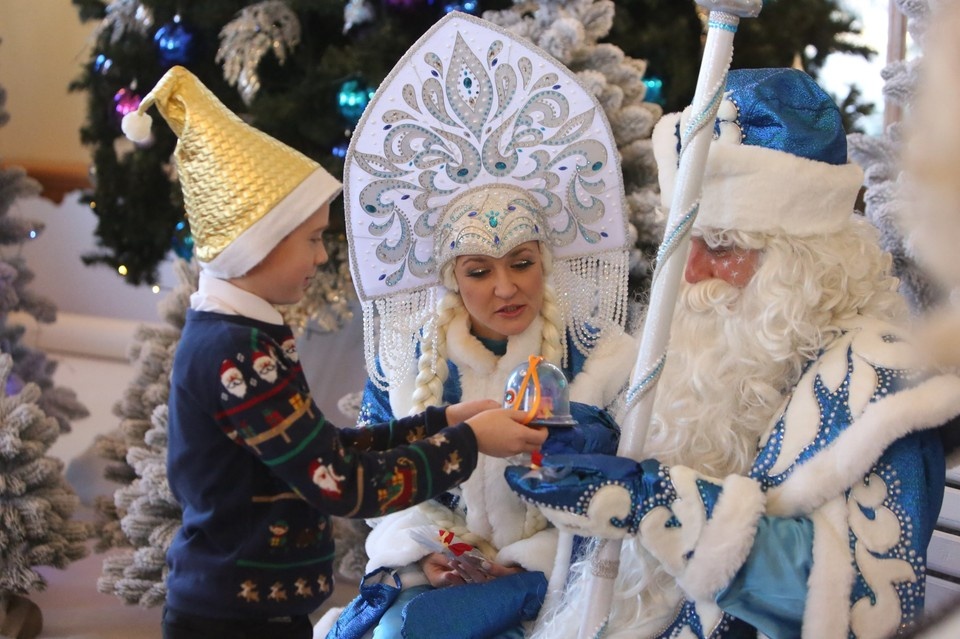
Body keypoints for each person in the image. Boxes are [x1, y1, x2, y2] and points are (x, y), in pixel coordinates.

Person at [505, 67, 960, 639]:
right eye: (686, 243)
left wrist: (656, 503)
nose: (691, 274)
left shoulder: (884, 394)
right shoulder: (709, 355)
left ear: (807, 261)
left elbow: (860, 604)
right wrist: (598, 444)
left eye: (720, 246)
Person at [120, 65, 547, 639]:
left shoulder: (246, 337)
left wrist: (440, 421)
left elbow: (319, 449)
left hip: (255, 606)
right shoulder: (237, 354)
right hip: (234, 615)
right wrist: (469, 444)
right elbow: (340, 482)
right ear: (260, 245)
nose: (322, 258)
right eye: (313, 240)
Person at [317, 12, 639, 639]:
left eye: (522, 263)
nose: (506, 287)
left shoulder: (597, 355)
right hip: (442, 575)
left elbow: (623, 482)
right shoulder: (409, 364)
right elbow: (388, 481)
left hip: (566, 576)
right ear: (451, 280)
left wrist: (526, 561)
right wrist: (432, 553)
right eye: (479, 272)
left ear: (544, 259)